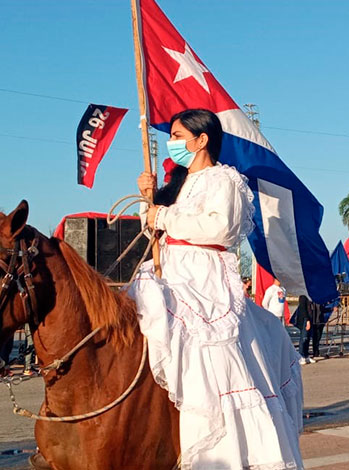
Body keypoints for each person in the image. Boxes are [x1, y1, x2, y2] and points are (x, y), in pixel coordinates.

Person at [131, 109, 303, 469]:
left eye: (178, 136)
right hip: (168, 266)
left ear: (202, 139)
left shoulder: (225, 180)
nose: (171, 143)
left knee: (209, 347)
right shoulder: (177, 185)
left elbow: (220, 228)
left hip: (204, 275)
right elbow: (159, 234)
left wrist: (161, 215)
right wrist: (151, 201)